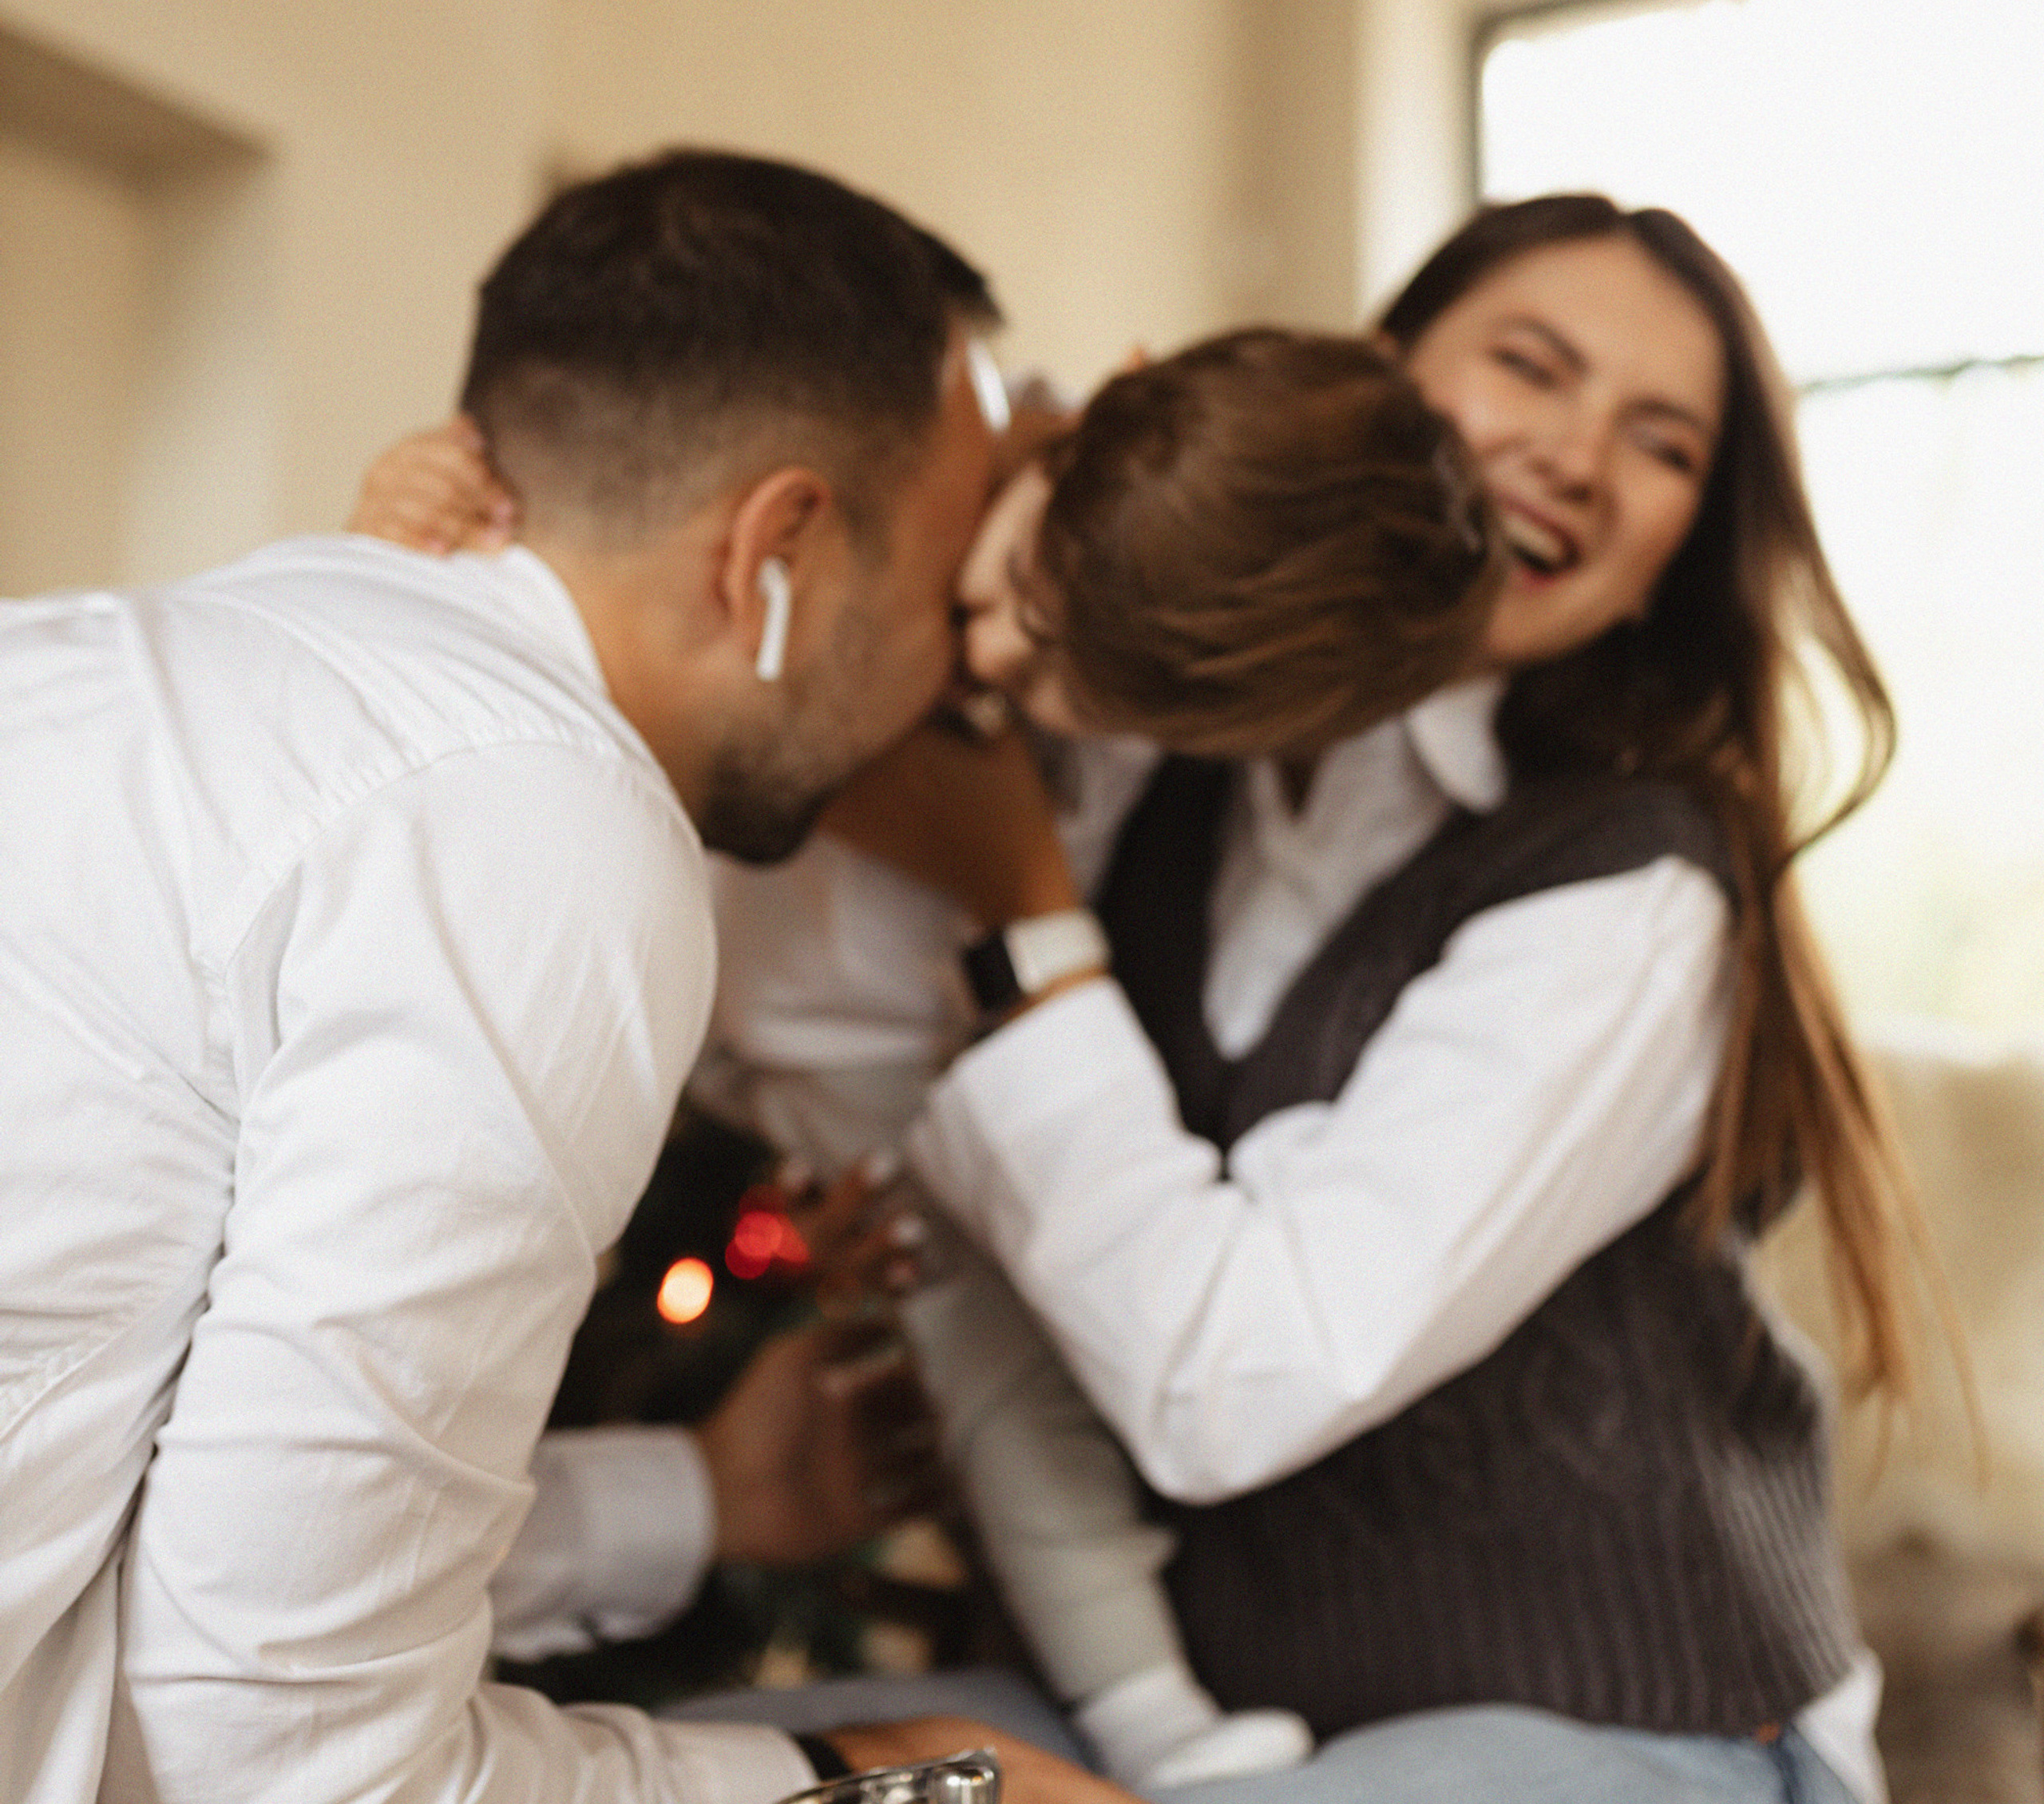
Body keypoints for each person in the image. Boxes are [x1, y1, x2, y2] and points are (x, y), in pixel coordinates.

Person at [0, 147, 1136, 1804]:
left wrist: (692, 1497)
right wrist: (860, 1775)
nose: (961, 669)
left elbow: (153, 1541)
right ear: (783, 551)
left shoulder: (103, 660)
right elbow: (282, 1760)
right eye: (943, 587)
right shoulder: (541, 820)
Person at [351, 330, 1503, 1787]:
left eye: (1086, 687)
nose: (1005, 661)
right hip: (647, 982)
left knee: (999, 1385)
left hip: (893, 1051)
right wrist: (420, 519)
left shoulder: (1204, 639)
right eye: (1022, 599)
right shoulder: (918, 448)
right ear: (1079, 433)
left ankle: (1145, 1707)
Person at [885, 196, 1915, 1803]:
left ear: (1672, 559)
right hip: (1203, 1713)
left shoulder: (1632, 882)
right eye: (1527, 365)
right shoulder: (1155, 760)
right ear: (1359, 390)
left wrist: (1017, 902)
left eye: (1659, 443)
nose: (1572, 455)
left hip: (1631, 1719)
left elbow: (1236, 1377)